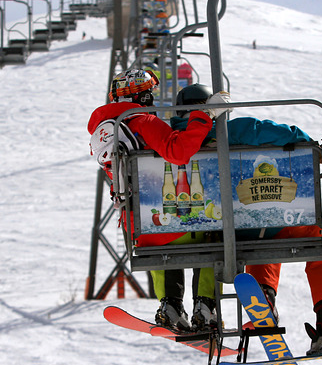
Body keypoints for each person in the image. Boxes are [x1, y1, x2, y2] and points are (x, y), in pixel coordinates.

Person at [171, 84, 322, 354]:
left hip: (214, 232)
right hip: (263, 225)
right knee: (313, 233)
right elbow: (290, 136)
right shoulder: (238, 130)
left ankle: (262, 299)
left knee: (259, 227)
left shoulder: (170, 142)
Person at [88, 70, 231, 331]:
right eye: (149, 95)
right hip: (178, 221)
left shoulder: (105, 132)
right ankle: (205, 305)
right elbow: (178, 152)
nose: (153, 101)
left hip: (142, 226)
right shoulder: (141, 122)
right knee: (213, 234)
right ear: (141, 97)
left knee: (162, 249)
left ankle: (171, 305)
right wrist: (206, 116)